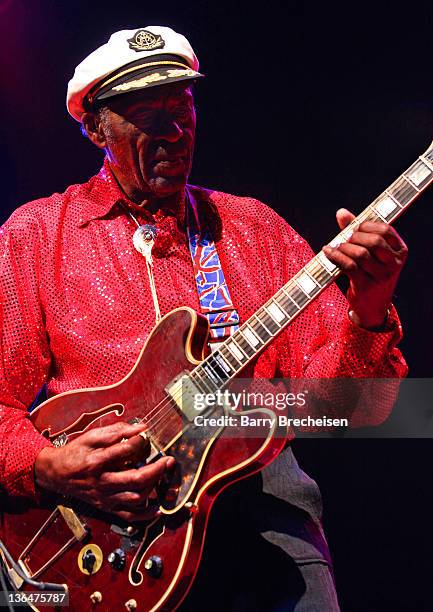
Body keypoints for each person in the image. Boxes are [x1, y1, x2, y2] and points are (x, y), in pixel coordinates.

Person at [0, 26, 408, 610]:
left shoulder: (253, 228)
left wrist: (369, 310)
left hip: (265, 508)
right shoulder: (37, 235)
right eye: (146, 114)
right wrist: (46, 467)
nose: (173, 130)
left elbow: (357, 408)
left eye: (182, 107)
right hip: (109, 532)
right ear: (95, 129)